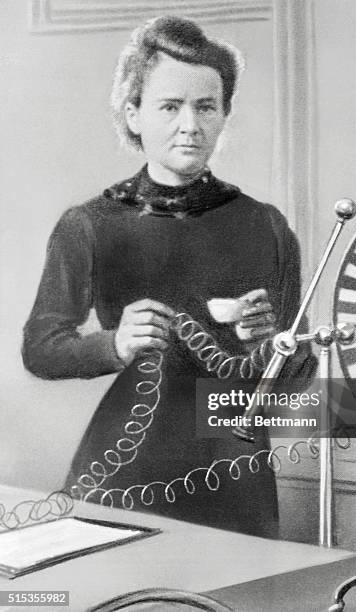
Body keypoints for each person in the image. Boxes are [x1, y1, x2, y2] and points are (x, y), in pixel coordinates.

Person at [22, 16, 316, 538]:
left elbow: (302, 370)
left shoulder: (265, 224)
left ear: (225, 114)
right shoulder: (89, 224)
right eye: (170, 106)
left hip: (234, 475)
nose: (190, 125)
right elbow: (40, 349)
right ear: (133, 115)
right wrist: (114, 344)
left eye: (206, 106)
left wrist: (271, 343)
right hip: (125, 472)